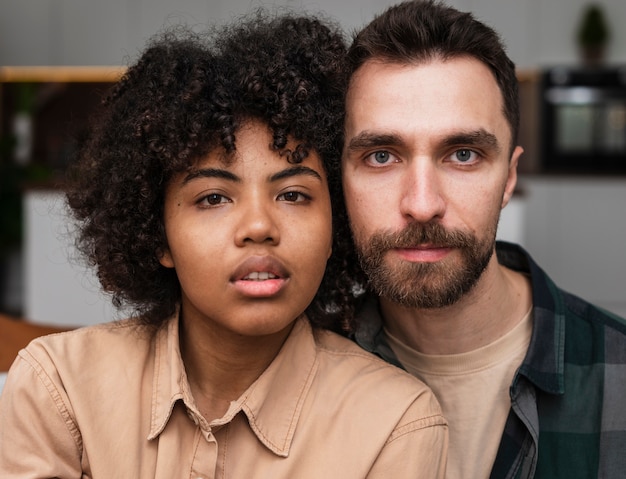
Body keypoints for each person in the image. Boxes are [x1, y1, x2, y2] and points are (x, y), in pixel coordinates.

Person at [0, 12, 448, 478]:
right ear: (160, 237)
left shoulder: (397, 424)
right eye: (213, 197)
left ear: (336, 224)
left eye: (293, 194)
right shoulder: (59, 388)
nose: (258, 226)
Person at [341, 1, 626, 478]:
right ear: (341, 178)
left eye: (464, 154)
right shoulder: (290, 370)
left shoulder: (617, 374)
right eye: (382, 156)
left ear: (509, 178)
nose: (423, 203)